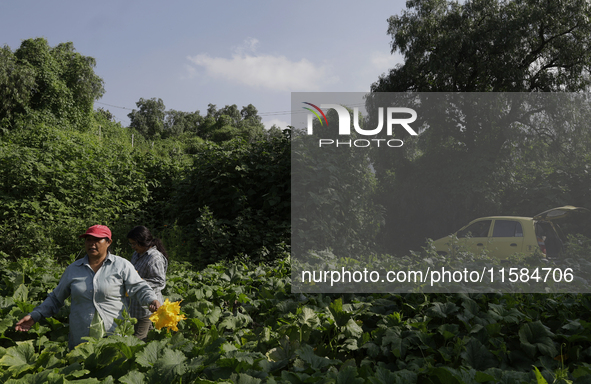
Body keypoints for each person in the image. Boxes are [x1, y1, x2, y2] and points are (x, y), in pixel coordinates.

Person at [15, 225, 160, 350]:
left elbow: (139, 287)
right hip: (81, 335)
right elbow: (55, 298)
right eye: (88, 239)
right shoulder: (74, 269)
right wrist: (35, 315)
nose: (92, 243)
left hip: (114, 333)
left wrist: (151, 300)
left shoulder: (121, 265)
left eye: (97, 240)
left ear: (108, 242)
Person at [127, 225, 169, 340]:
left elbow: (160, 281)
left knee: (138, 339)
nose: (132, 247)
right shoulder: (137, 254)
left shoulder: (154, 257)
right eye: (131, 244)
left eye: (134, 244)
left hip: (147, 306)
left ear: (143, 242)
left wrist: (137, 282)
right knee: (148, 337)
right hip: (135, 304)